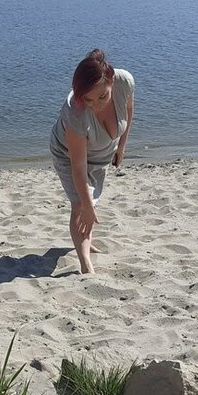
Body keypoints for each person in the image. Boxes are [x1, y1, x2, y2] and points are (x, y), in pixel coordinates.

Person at [50, 48, 134, 274]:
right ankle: (85, 263)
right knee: (80, 204)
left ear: (111, 81)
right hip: (68, 154)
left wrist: (121, 147)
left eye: (102, 96)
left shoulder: (124, 82)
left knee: (91, 201)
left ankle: (85, 241)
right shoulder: (75, 112)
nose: (96, 104)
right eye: (88, 99)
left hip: (101, 152)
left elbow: (129, 109)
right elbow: (78, 167)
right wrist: (86, 206)